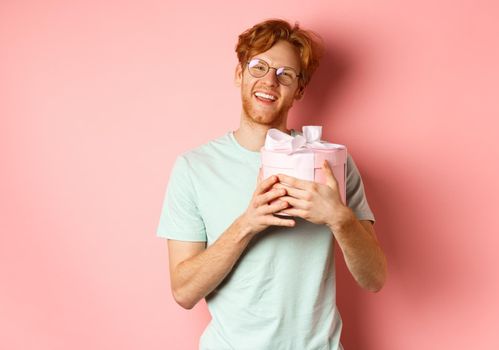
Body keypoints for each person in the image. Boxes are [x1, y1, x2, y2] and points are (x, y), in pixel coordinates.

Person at [156, 18, 387, 350]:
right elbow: (184, 292)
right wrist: (247, 224)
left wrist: (339, 218)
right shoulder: (194, 168)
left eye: (285, 75)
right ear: (240, 74)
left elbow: (375, 278)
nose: (270, 81)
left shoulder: (332, 162)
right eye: (258, 66)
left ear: (299, 90)